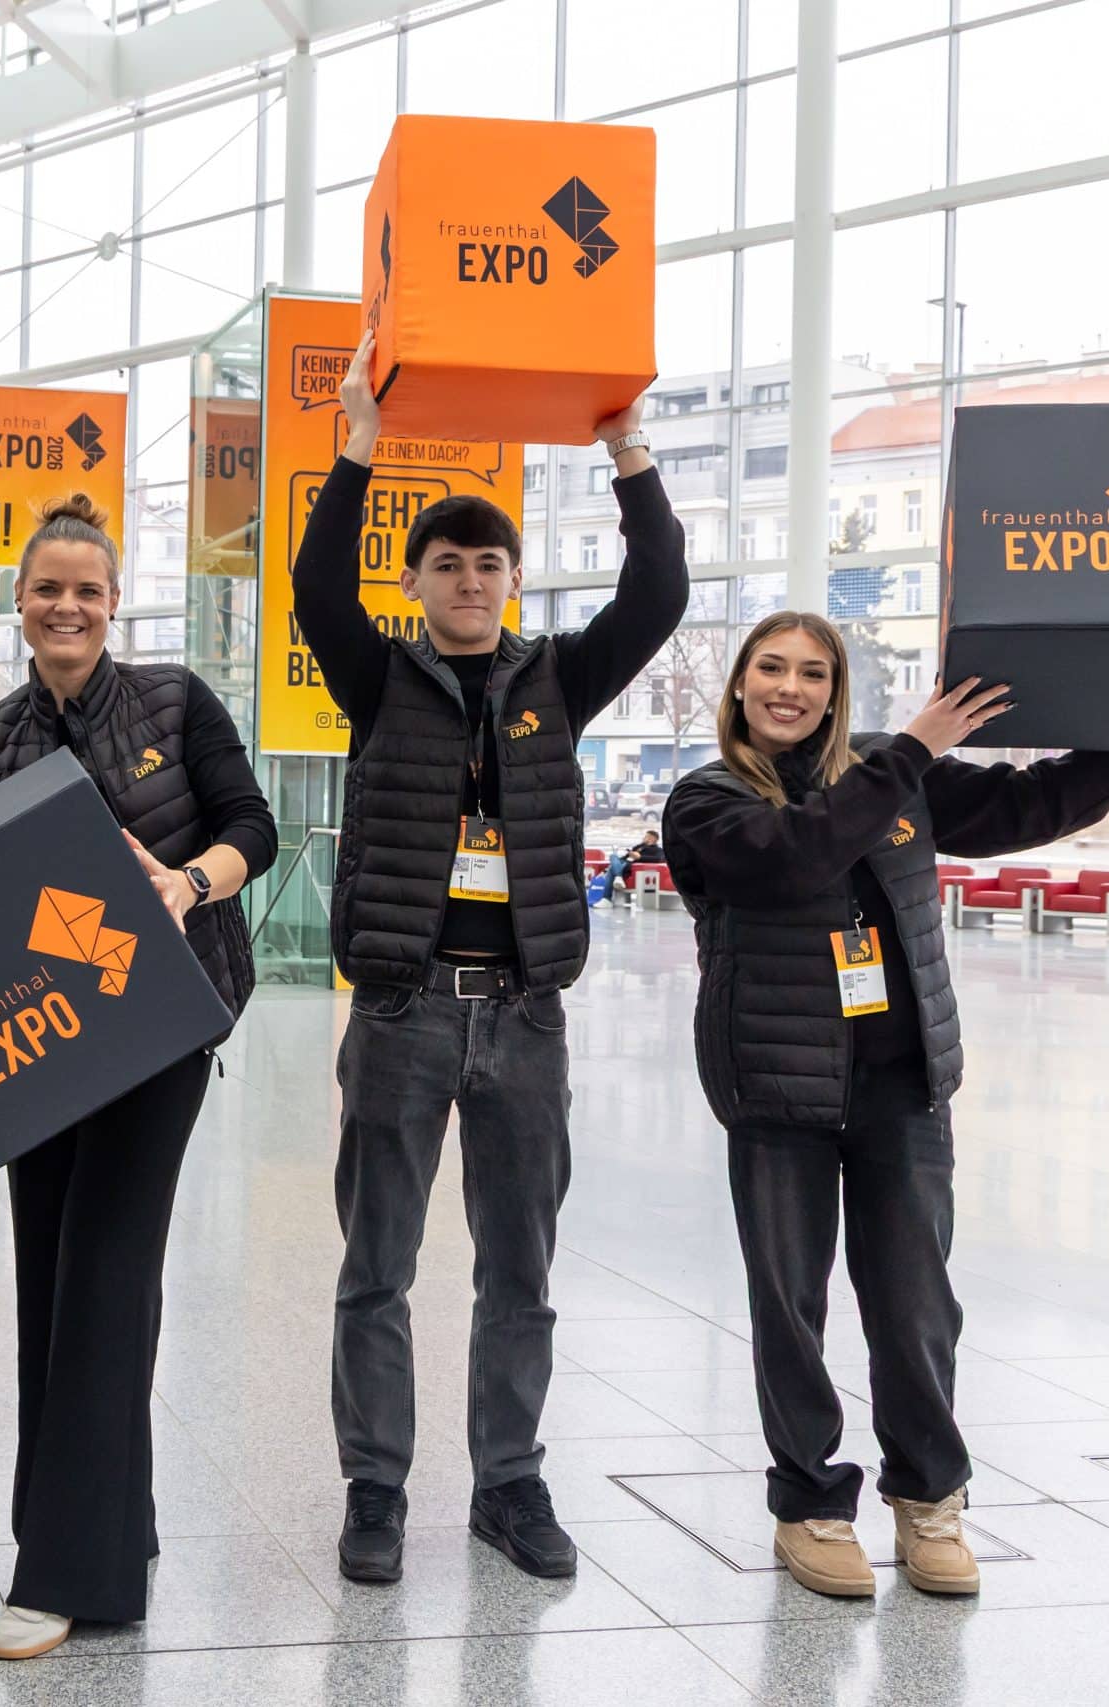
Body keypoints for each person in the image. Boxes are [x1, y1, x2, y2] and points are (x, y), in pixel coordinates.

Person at [662, 612, 1109, 1601]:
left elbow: (1035, 803)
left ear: (834, 691)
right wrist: (912, 753)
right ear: (741, 685)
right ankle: (809, 1504)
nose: (790, 687)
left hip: (902, 1088)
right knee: (790, 1307)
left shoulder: (892, 772)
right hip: (777, 1089)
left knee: (915, 1304)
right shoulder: (708, 799)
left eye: (812, 672)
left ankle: (929, 1499)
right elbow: (796, 856)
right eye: (771, 668)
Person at [303, 333, 687, 1586]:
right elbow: (315, 584)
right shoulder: (378, 679)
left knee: (519, 1272)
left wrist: (628, 453)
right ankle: (375, 1489)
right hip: (402, 1013)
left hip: (524, 1018)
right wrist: (360, 443)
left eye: (488, 564)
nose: (469, 581)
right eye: (447, 564)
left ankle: (508, 1483)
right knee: (377, 1269)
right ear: (415, 581)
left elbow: (658, 596)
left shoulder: (558, 683)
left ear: (514, 581)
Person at [0, 493, 275, 1661]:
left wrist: (188, 883)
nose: (67, 606)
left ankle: (69, 1573)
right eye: (48, 588)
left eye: (87, 589)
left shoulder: (176, 702)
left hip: (160, 1028)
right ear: (20, 602)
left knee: (106, 1271)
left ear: (114, 602)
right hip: (44, 1040)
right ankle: (105, 1517)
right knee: (54, 1274)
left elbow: (249, 822)